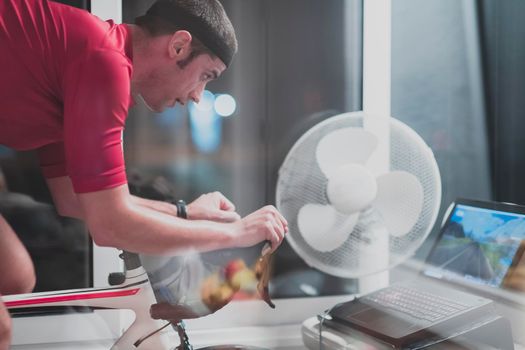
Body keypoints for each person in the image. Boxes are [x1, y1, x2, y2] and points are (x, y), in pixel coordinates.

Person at [0, 0, 288, 348]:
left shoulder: (88, 58)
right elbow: (110, 225)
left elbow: (75, 200)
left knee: (14, 276)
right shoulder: (103, 61)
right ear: (178, 45)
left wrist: (188, 213)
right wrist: (237, 233)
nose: (199, 96)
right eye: (205, 76)